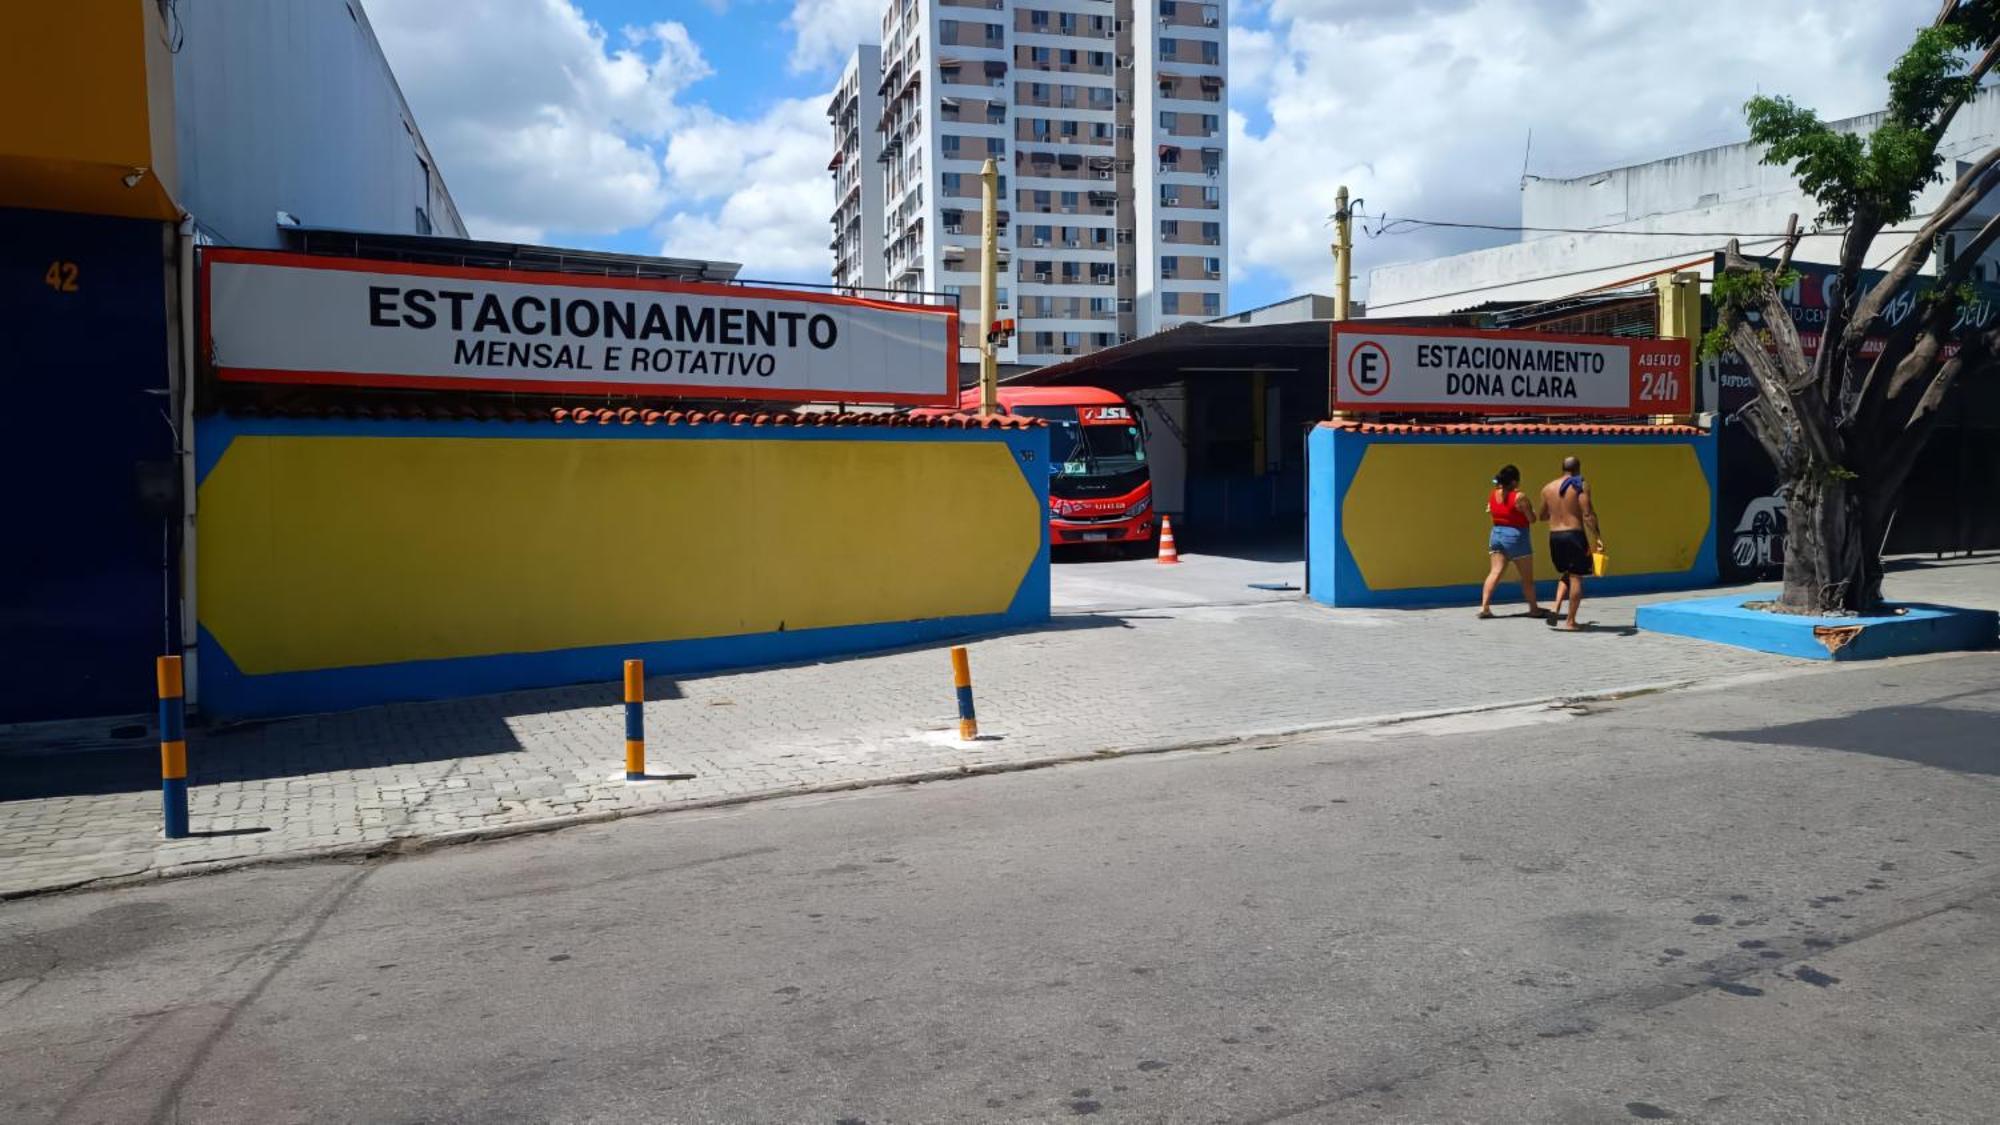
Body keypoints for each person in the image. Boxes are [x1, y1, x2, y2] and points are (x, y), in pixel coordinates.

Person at [1538, 455, 1604, 631]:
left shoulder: (1547, 488)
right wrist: (1597, 537)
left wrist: (1557, 511)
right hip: (1574, 535)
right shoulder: (1579, 484)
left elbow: (1542, 516)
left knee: (1566, 573)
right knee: (1576, 577)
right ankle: (1571, 621)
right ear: (1578, 468)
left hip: (1554, 537)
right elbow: (1587, 513)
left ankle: (1555, 607)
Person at [1478, 464, 1544, 619]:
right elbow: (1532, 519)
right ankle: (1534, 609)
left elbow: (1493, 511)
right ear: (1514, 482)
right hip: (1516, 536)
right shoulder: (1519, 496)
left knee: (1495, 571)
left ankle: (1484, 607)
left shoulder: (1494, 494)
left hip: (1496, 533)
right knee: (1527, 577)